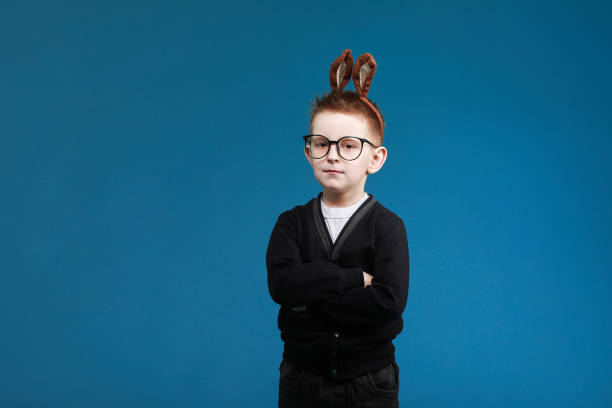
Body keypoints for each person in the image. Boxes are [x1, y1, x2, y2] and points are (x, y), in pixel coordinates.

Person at [266, 49, 410, 407]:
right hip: (302, 380)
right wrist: (354, 279)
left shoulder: (388, 227)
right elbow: (283, 287)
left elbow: (388, 302)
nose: (332, 155)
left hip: (369, 383)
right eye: (321, 144)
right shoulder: (291, 224)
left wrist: (308, 303)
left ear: (375, 159)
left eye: (348, 146)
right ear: (308, 151)